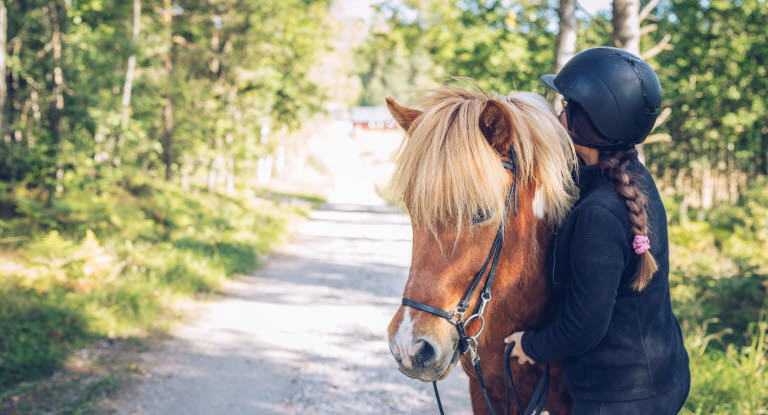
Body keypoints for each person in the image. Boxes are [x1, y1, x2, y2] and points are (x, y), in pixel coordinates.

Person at [504, 47, 690, 415]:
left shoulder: (598, 214)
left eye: (564, 107)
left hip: (615, 398)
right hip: (661, 376)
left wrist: (531, 345)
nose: (557, 115)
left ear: (585, 122)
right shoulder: (633, 181)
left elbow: (584, 326)